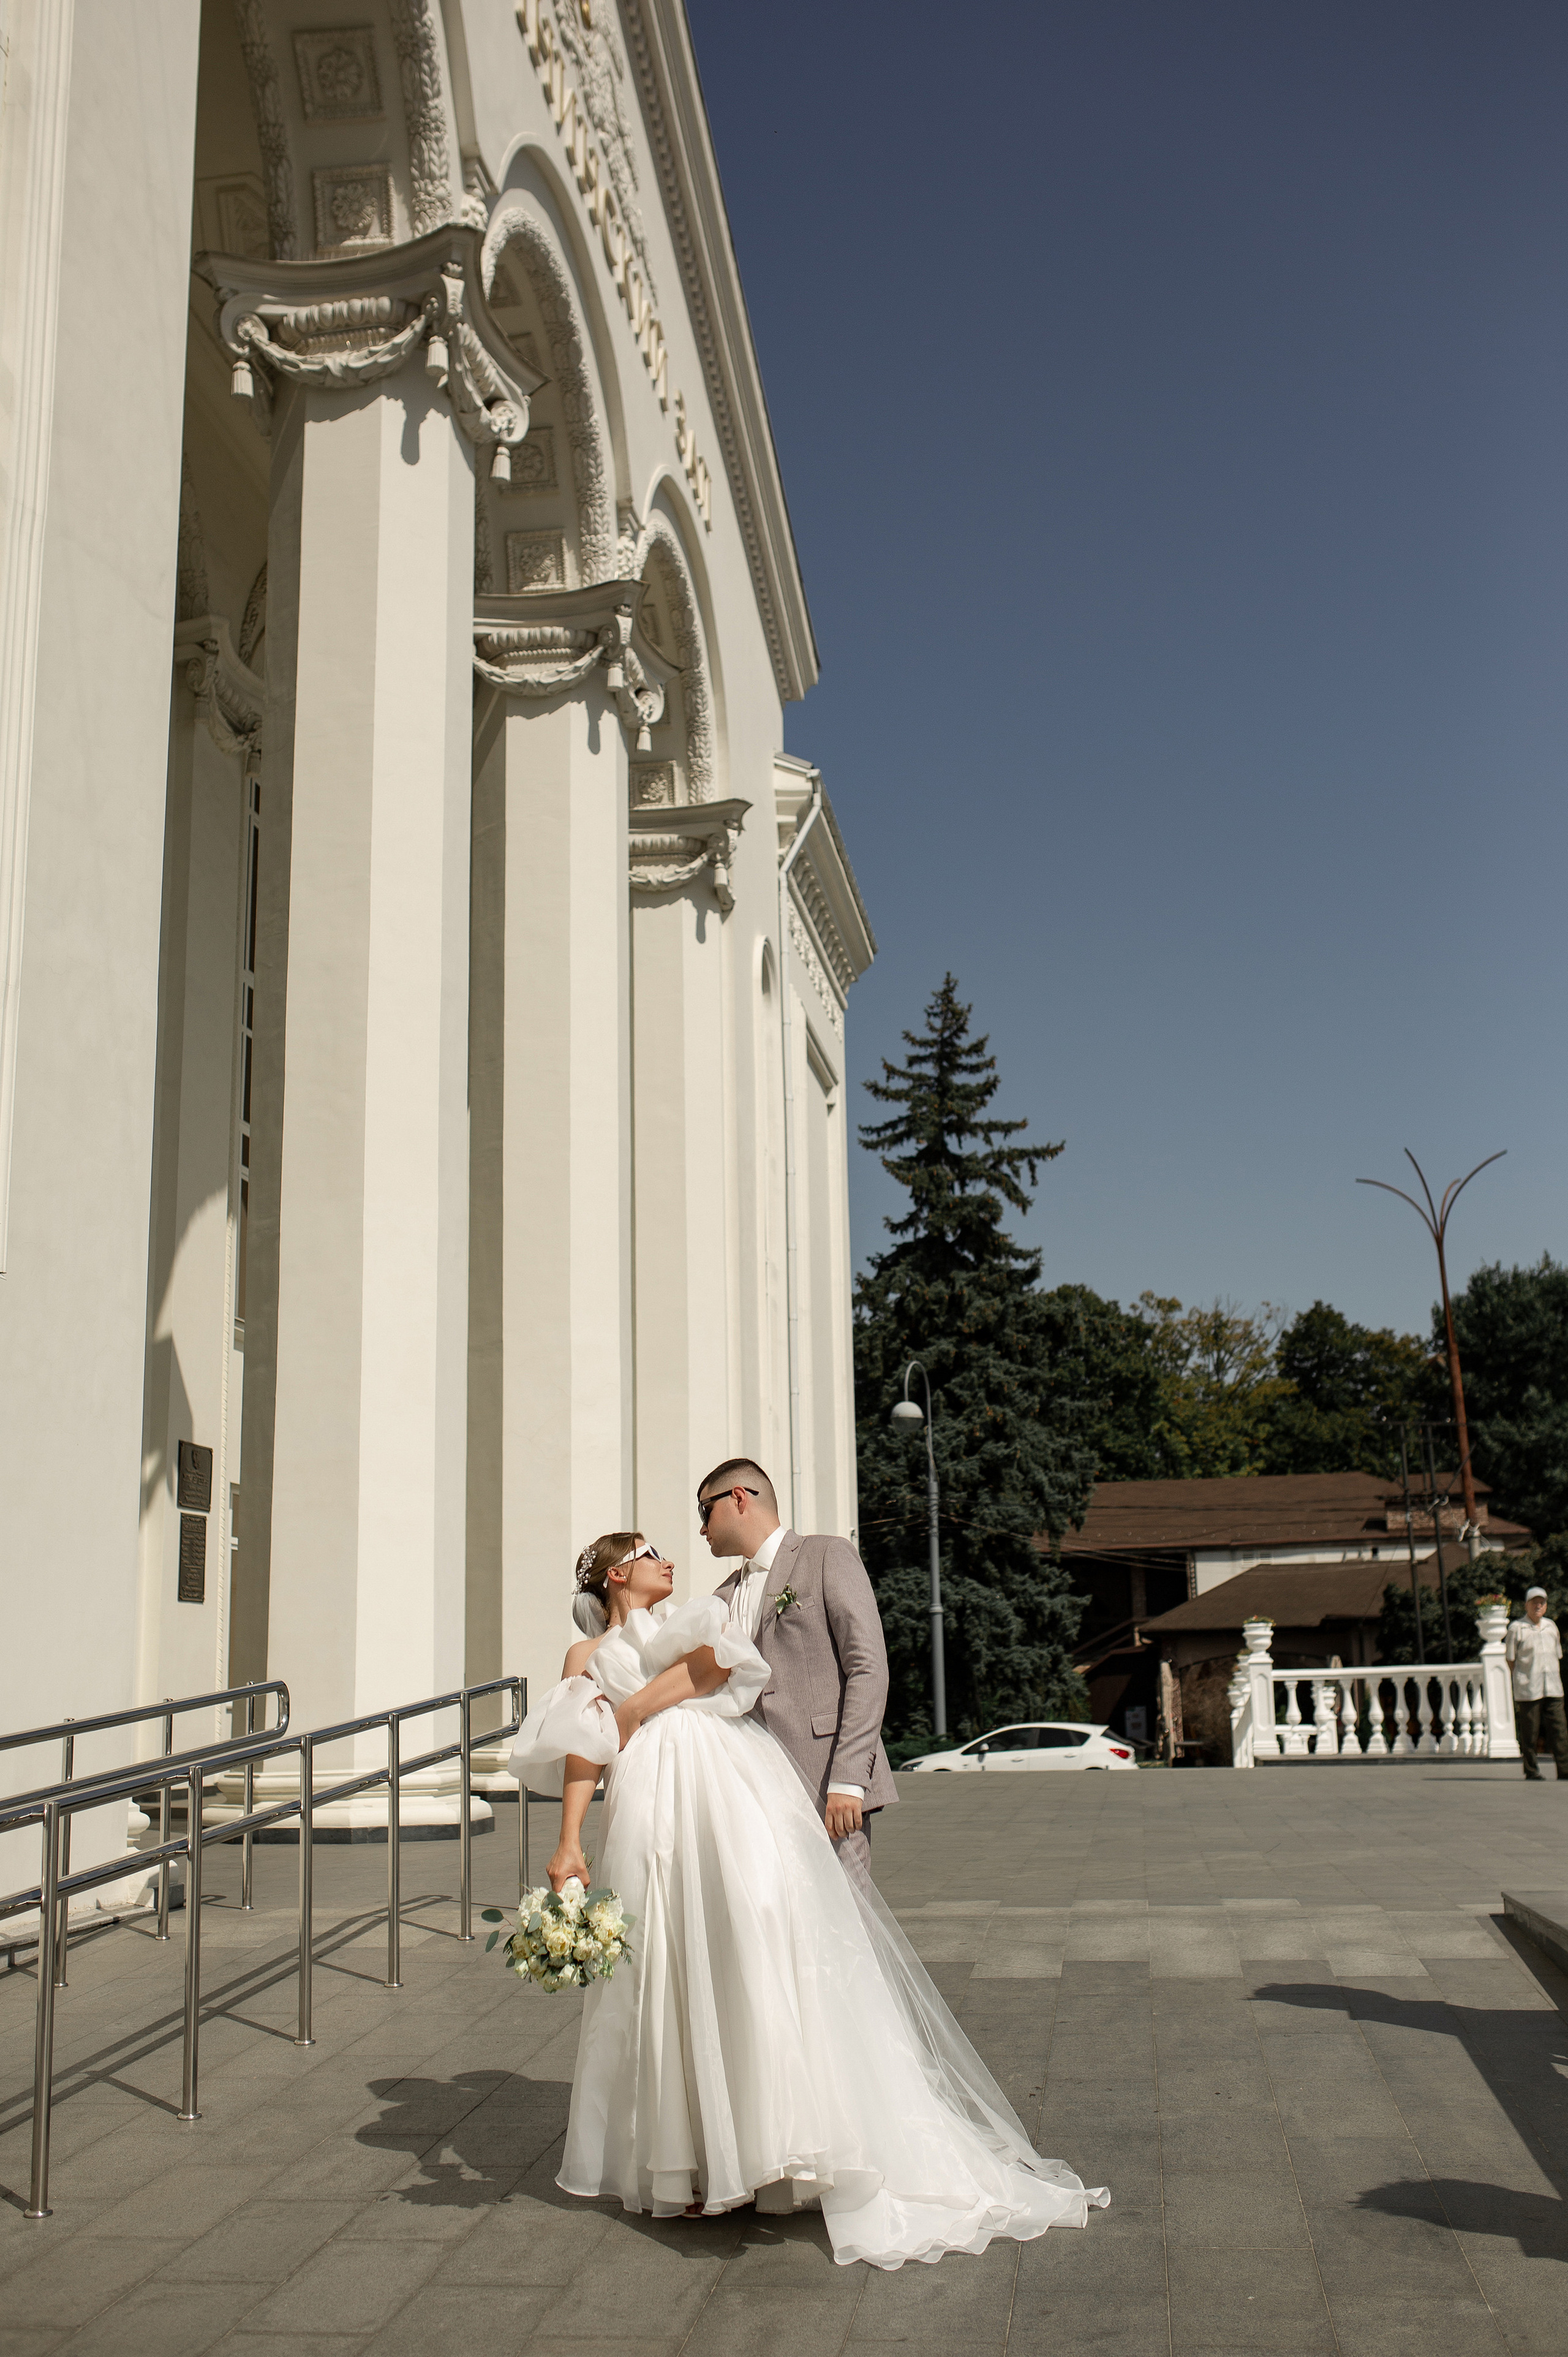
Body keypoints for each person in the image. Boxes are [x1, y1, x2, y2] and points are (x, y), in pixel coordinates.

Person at [508, 1529, 1107, 2268]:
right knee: (666, 1969)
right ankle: (691, 2163)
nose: (668, 1556)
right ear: (612, 1573)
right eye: (648, 1549)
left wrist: (629, 1711)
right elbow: (584, 1750)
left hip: (727, 1789)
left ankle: (778, 2141)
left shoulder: (697, 1615)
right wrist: (568, 1843)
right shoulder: (582, 1658)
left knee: (749, 1944)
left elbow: (712, 1668)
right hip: (649, 1802)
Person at [696, 1458, 895, 1876]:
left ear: (738, 1498)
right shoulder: (722, 1595)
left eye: (705, 1510)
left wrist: (849, 1778)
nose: (701, 1528)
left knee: (845, 1929)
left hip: (828, 1787)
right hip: (758, 1800)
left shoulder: (826, 1554)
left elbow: (868, 1666)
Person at [1506, 1586, 1568, 1782]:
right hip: (1529, 1688)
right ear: (1526, 1605)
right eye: (1534, 1603)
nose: (1538, 1606)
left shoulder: (1551, 1627)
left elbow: (1557, 1655)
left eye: (1541, 1603)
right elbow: (1510, 1659)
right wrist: (1519, 1679)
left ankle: (1565, 1770)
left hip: (1553, 1687)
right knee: (1530, 1732)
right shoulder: (1517, 1629)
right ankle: (1532, 1770)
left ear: (1546, 1606)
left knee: (1560, 1730)